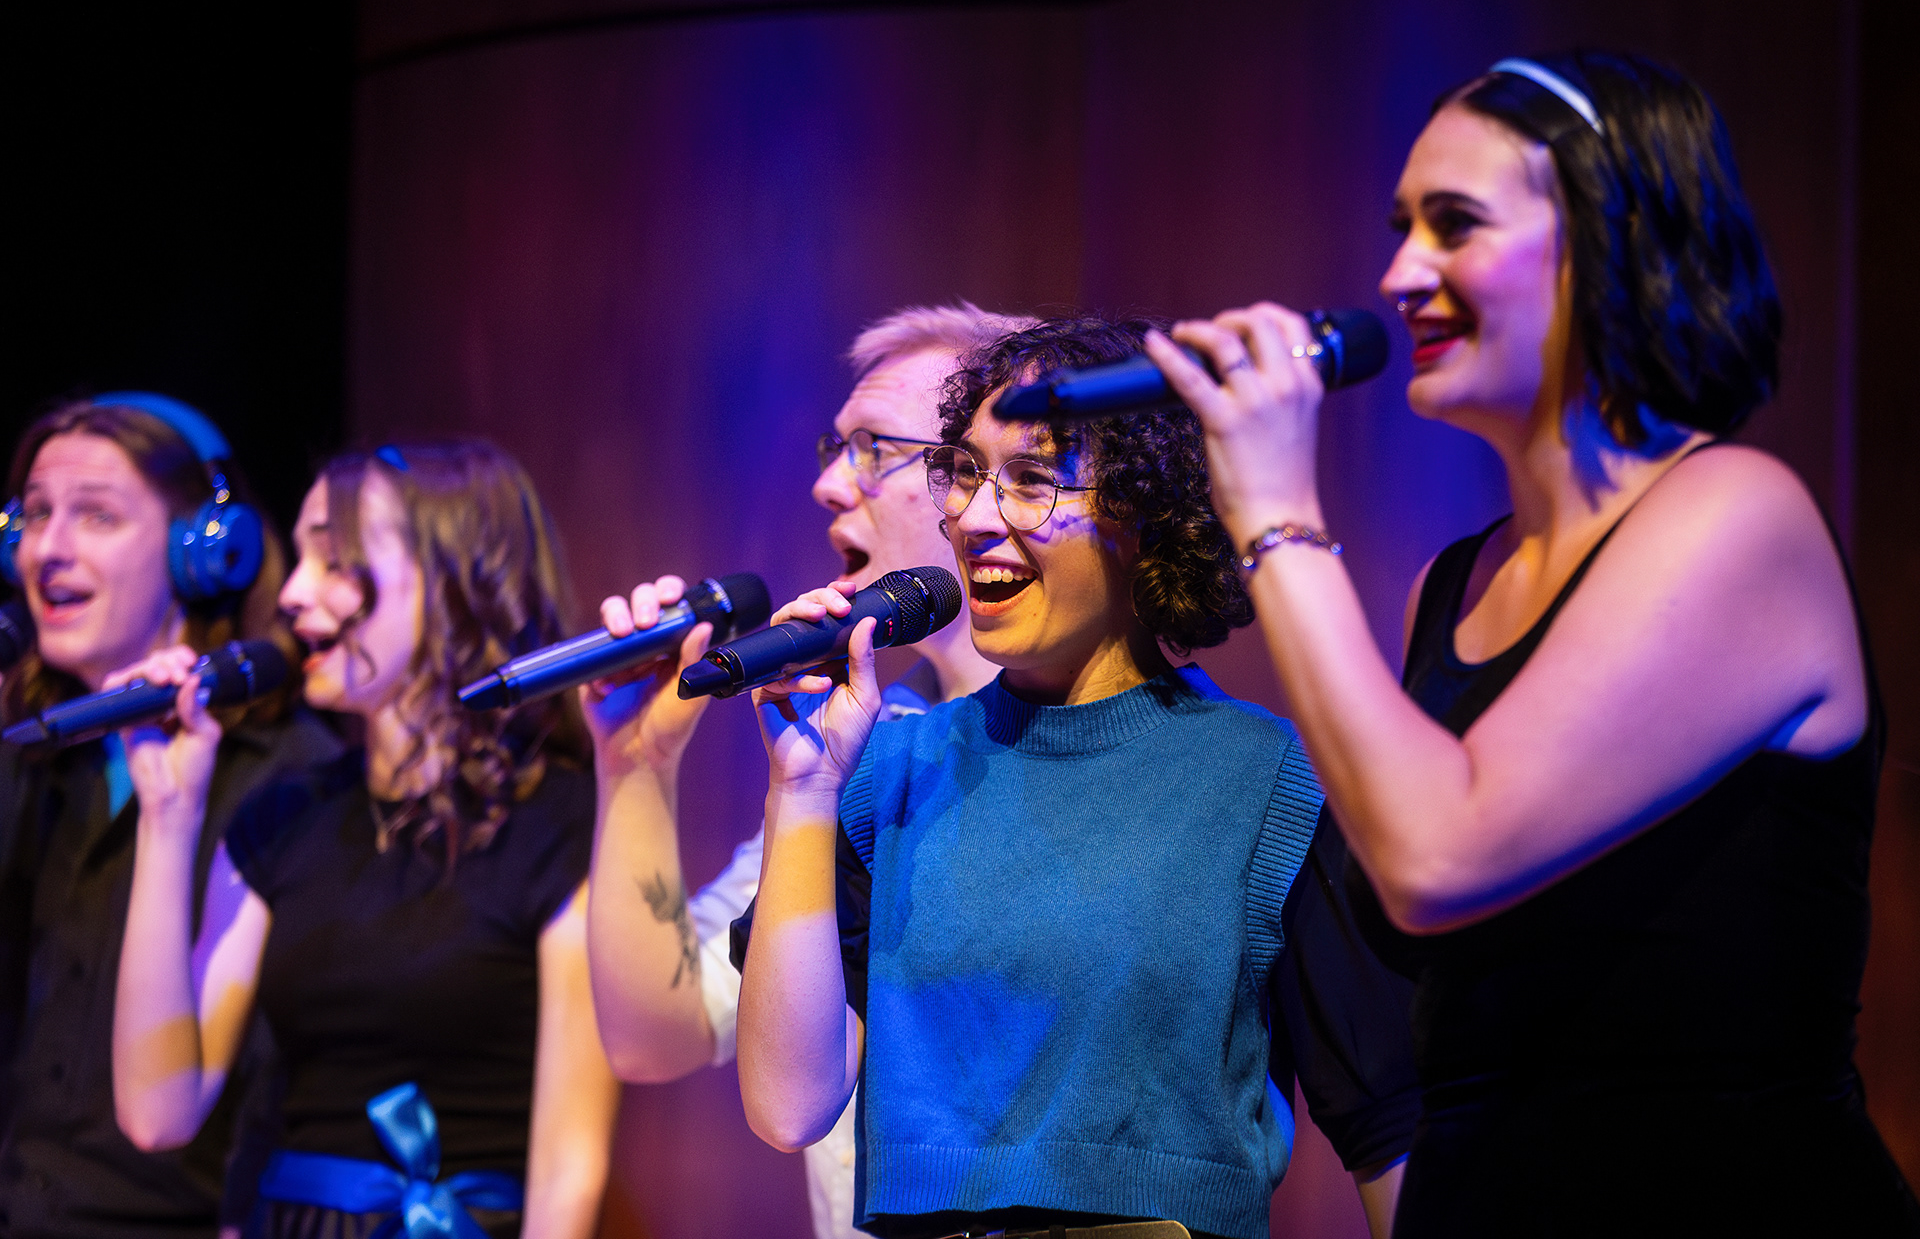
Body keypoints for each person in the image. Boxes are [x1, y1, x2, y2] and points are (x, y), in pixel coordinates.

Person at [1147, 51, 1920, 1234]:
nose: (1400, 275)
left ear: (1614, 238)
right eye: (1401, 227)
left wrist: (1272, 514)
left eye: (1454, 225)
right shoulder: (1451, 584)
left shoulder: (1737, 515)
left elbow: (1438, 857)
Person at [733, 316, 1420, 1239]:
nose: (976, 519)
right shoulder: (887, 774)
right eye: (967, 472)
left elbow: (1391, 1134)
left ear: (1148, 518)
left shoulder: (1264, 783)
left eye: (1032, 480)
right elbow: (787, 1107)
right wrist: (803, 791)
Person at [584, 303, 1028, 1239]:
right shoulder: (861, 751)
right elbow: (656, 1034)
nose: (829, 486)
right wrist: (635, 764)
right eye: (837, 448)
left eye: (874, 450)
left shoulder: (1112, 749)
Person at [109, 440, 620, 1239]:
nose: (294, 594)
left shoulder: (561, 819)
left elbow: (569, 1170)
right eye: (302, 556)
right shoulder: (284, 815)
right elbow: (156, 1112)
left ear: (457, 575)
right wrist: (168, 817)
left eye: (338, 559)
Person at [0, 395, 339, 1239]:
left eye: (95, 516)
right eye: (34, 515)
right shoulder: (26, 759)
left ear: (205, 555)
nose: (47, 550)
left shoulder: (291, 778)